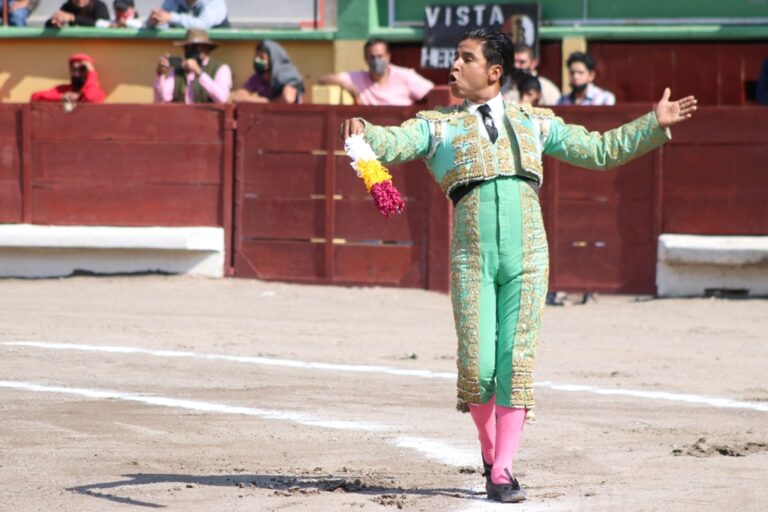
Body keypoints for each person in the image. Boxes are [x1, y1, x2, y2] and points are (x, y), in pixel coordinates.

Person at [340, 28, 696, 503]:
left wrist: (651, 124)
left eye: (466, 58)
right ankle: (491, 451)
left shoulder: (535, 122)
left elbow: (599, 150)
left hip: (529, 255)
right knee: (479, 365)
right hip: (471, 258)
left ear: (494, 71)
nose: (454, 66)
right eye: (455, 58)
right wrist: (365, 131)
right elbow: (397, 141)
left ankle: (502, 470)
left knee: (515, 361)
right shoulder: (438, 125)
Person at [318, 38, 434, 106]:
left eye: (380, 56)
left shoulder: (405, 76)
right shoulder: (356, 78)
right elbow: (322, 79)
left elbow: (434, 92)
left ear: (388, 57)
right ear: (365, 59)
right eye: (372, 57)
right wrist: (347, 85)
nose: (376, 61)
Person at [154, 29, 232, 104]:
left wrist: (198, 72)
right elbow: (162, 99)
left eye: (195, 47)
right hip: (181, 116)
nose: (190, 51)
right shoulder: (178, 70)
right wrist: (160, 73)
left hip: (207, 116)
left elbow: (222, 99)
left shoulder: (221, 69)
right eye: (187, 47)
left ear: (206, 49)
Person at [232, 40, 304, 104]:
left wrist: (268, 102)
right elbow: (238, 98)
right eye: (256, 57)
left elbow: (288, 99)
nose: (257, 60)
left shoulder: (288, 75)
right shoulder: (258, 77)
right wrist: (265, 101)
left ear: (273, 59)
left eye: (262, 57)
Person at [30, 53, 106, 104]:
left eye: (82, 70)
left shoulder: (97, 91)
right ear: (70, 71)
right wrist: (62, 97)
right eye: (74, 69)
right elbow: (35, 97)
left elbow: (90, 98)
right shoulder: (62, 90)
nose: (77, 74)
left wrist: (92, 73)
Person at [147, 0, 229, 29]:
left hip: (213, 55)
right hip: (181, 50)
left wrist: (171, 17)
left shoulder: (214, 1)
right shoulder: (173, 1)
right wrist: (155, 21)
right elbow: (165, 25)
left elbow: (203, 25)